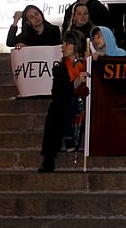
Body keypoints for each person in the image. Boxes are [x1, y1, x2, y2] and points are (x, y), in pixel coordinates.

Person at [38, 30, 90, 172]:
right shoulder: (60, 68)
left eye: (67, 44)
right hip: (68, 104)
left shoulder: (89, 62)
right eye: (63, 44)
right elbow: (57, 92)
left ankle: (68, 136)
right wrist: (76, 82)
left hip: (88, 102)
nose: (63, 47)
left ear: (76, 46)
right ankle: (50, 156)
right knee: (57, 106)